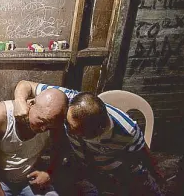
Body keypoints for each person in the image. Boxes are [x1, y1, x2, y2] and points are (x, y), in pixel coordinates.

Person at [13, 81, 163, 195]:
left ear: (93, 133)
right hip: (82, 165)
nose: (67, 129)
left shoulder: (126, 131)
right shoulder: (71, 100)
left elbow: (144, 153)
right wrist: (20, 102)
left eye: (73, 129)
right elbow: (25, 85)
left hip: (117, 168)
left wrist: (157, 174)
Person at [0, 88, 68, 196]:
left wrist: (49, 174)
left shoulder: (54, 123)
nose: (43, 129)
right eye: (41, 121)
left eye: (49, 126)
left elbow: (60, 149)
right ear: (31, 103)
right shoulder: (0, 117)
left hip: (28, 178)